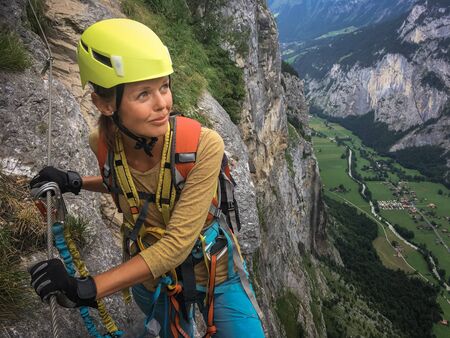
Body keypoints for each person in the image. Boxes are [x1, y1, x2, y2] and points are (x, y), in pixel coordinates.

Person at [28, 18, 265, 338]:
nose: (162, 104)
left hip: (215, 276)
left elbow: (177, 244)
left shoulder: (202, 146)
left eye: (164, 87)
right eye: (143, 94)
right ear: (104, 103)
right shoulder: (102, 143)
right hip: (152, 282)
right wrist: (75, 181)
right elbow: (125, 184)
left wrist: (87, 287)